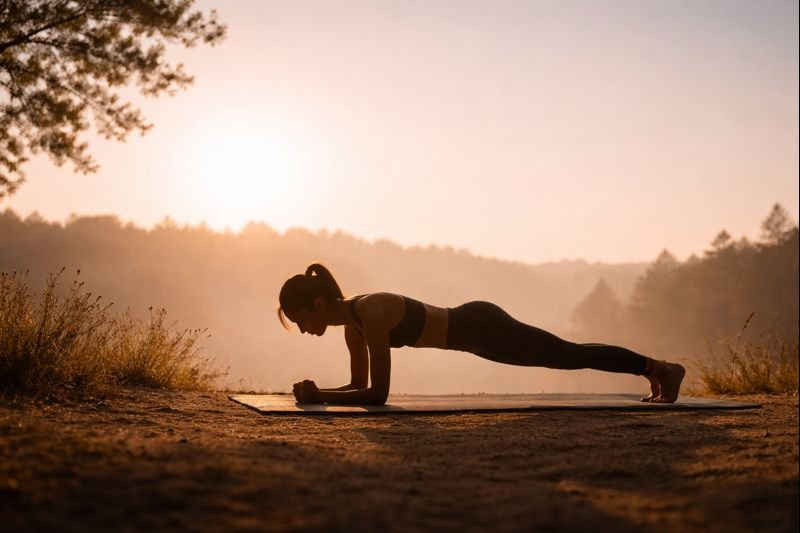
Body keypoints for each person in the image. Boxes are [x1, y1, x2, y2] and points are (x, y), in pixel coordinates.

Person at [278, 263, 686, 406]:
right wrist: (324, 395)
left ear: (316, 305)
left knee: (567, 354)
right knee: (565, 354)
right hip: (473, 339)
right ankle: (653, 369)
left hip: (480, 326)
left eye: (299, 319)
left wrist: (321, 398)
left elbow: (378, 395)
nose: (302, 330)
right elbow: (357, 386)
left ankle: (660, 368)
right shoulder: (353, 328)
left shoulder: (372, 310)